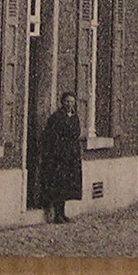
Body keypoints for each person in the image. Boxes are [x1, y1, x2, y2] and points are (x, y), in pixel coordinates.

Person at [39, 92, 84, 223]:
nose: (69, 104)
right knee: (58, 184)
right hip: (59, 156)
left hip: (71, 156)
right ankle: (56, 214)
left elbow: (77, 134)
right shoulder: (56, 117)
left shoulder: (75, 117)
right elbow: (50, 135)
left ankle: (62, 212)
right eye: (67, 102)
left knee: (67, 186)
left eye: (71, 102)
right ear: (62, 103)